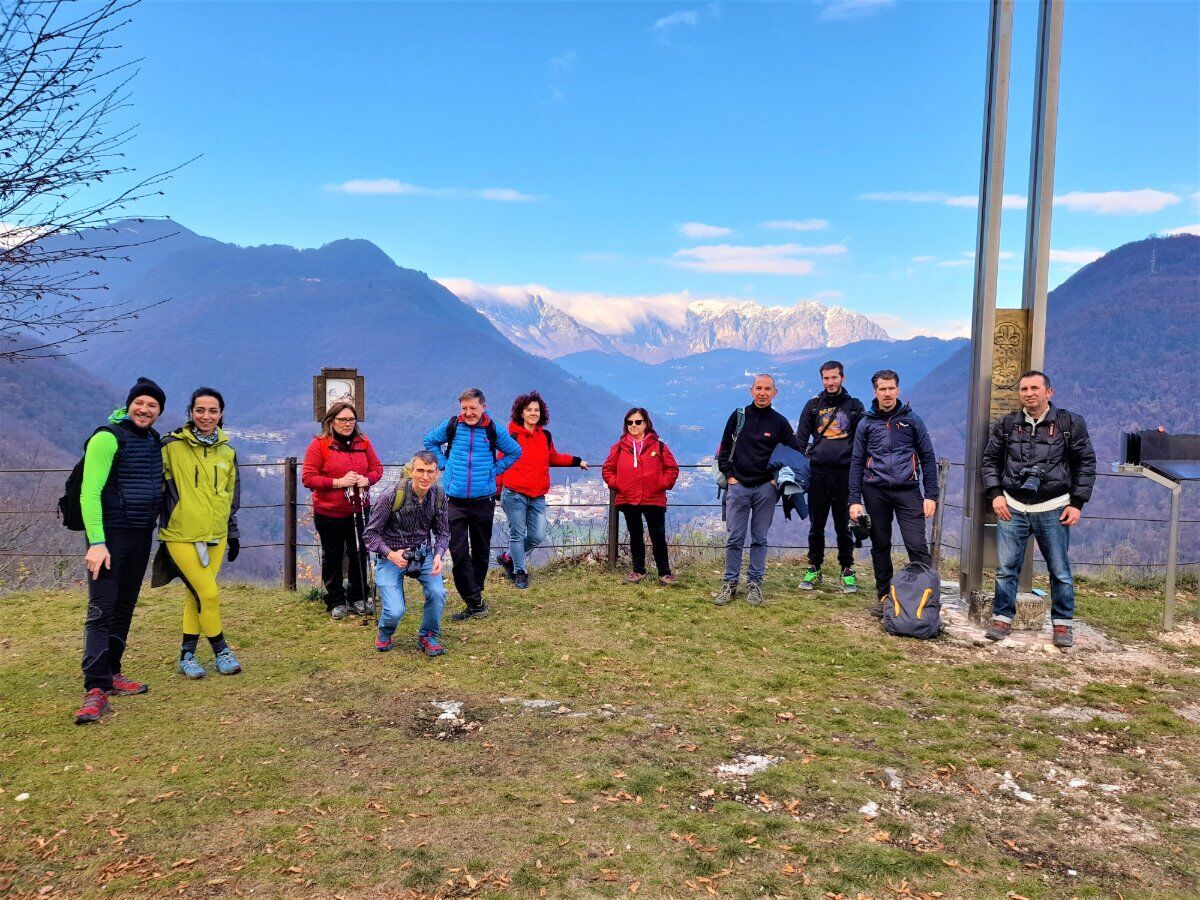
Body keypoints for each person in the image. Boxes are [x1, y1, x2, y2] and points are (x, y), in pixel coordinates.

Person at [74, 377, 166, 725]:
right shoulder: (106, 438)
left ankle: (112, 670)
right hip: (109, 538)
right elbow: (89, 492)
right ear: (129, 404)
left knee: (124, 605)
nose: (145, 409)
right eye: (140, 403)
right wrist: (96, 542)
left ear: (159, 412)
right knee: (101, 609)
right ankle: (96, 687)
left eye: (152, 405)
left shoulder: (151, 439)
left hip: (140, 535)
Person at [981, 370, 1096, 648]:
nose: (1029, 393)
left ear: (1049, 392)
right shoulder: (1007, 424)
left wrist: (1077, 503)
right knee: (1006, 568)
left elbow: (1086, 463)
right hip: (1013, 506)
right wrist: (996, 495)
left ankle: (1062, 624)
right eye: (1024, 389)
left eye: (1034, 388)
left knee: (1059, 570)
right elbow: (990, 460)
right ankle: (1001, 618)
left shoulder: (1070, 423)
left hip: (1054, 506)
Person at [156, 388, 243, 679]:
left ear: (221, 414)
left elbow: (231, 497)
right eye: (200, 410)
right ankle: (221, 650)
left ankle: (187, 656)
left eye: (213, 411)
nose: (206, 416)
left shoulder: (228, 452)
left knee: (195, 596)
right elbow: (154, 486)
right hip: (180, 533)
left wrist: (232, 532)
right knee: (208, 592)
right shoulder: (170, 445)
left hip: (215, 533)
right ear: (191, 412)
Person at [424, 388, 522, 621]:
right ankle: (474, 599)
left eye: (473, 408)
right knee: (457, 551)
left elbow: (514, 452)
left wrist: (493, 471)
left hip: (482, 501)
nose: (468, 413)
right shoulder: (452, 425)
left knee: (480, 551)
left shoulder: (492, 429)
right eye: (464, 408)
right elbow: (430, 441)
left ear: (483, 407)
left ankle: (475, 597)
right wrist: (445, 465)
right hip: (454, 501)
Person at [848, 369, 939, 618]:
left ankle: (927, 598)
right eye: (882, 389)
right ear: (875, 392)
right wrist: (854, 500)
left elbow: (928, 458)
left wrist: (931, 494)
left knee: (917, 545)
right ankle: (884, 597)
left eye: (891, 388)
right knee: (880, 544)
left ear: (898, 390)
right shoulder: (866, 423)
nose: (887, 393)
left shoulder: (912, 420)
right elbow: (857, 461)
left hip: (908, 490)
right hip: (874, 489)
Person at [714, 374, 800, 607]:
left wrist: (774, 480)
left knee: (760, 538)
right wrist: (730, 476)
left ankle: (754, 584)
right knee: (735, 538)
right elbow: (724, 449)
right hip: (739, 486)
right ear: (751, 391)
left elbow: (793, 454)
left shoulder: (780, 423)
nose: (763, 393)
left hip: (765, 488)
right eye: (759, 388)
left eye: (767, 389)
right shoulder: (739, 416)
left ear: (775, 392)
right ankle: (730, 583)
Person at [496, 391, 588, 589]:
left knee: (537, 535)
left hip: (537, 495)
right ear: (521, 412)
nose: (533, 413)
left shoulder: (545, 435)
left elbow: (552, 457)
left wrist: (576, 461)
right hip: (514, 493)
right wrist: (496, 490)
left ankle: (507, 557)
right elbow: (500, 462)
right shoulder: (511, 435)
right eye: (529, 409)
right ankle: (520, 572)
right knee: (517, 534)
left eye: (536, 410)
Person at [365, 451, 452, 656]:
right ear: (411, 471)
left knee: (438, 593)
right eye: (420, 470)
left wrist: (438, 554)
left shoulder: (438, 496)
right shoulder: (392, 495)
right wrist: (390, 554)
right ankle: (385, 632)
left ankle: (428, 635)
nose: (425, 476)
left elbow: (443, 532)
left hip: (423, 554)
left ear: (437, 474)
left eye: (430, 472)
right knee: (395, 610)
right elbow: (370, 535)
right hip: (391, 556)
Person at [302, 402, 384, 619]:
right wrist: (339, 482)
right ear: (331, 421)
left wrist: (367, 479)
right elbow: (308, 478)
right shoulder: (319, 445)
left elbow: (377, 468)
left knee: (360, 552)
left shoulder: (363, 442)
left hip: (359, 508)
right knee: (333, 555)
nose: (347, 424)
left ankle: (358, 596)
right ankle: (335, 600)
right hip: (329, 511)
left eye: (351, 420)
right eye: (342, 420)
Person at [795, 361, 866, 594]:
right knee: (816, 525)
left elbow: (862, 441)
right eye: (826, 378)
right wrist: (798, 469)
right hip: (818, 473)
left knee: (843, 526)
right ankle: (814, 567)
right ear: (822, 379)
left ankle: (847, 570)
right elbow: (801, 439)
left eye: (834, 377)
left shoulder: (855, 406)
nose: (830, 382)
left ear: (842, 378)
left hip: (845, 473)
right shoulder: (813, 406)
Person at [602, 407, 679, 584]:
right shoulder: (619, 447)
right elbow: (607, 469)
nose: (633, 425)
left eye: (638, 422)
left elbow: (672, 469)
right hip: (629, 498)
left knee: (658, 536)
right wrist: (617, 484)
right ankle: (638, 570)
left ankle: (664, 573)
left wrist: (662, 484)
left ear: (646, 423)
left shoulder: (659, 446)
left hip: (653, 498)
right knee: (635, 535)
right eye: (630, 422)